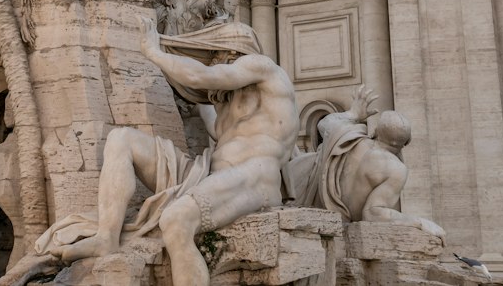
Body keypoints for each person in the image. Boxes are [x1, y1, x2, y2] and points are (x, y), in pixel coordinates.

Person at [34, 17, 299, 286]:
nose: (209, 62)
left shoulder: (264, 67)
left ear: (232, 52)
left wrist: (154, 52)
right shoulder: (224, 101)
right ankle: (106, 238)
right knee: (121, 138)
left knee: (176, 219)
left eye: (212, 55)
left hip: (255, 177)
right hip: (207, 173)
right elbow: (204, 100)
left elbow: (198, 75)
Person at [298, 84, 443, 238]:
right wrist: (419, 222)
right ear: (408, 141)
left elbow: (324, 124)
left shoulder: (351, 138)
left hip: (306, 200)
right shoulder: (395, 170)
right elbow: (373, 214)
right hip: (338, 230)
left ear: (376, 131)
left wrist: (353, 114)